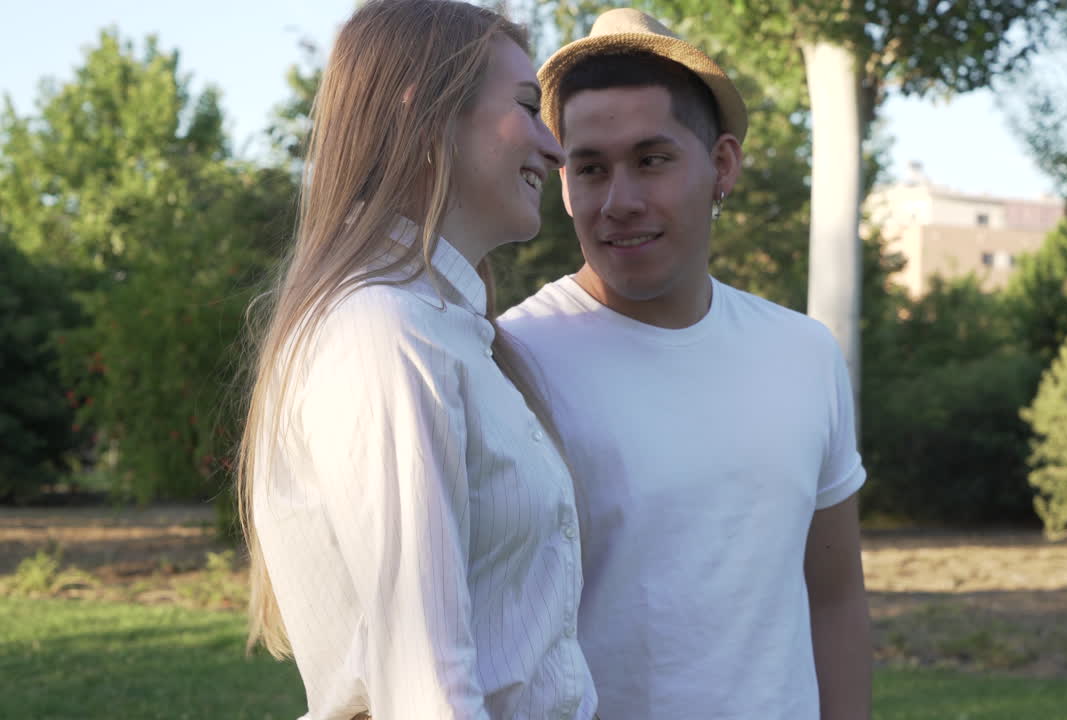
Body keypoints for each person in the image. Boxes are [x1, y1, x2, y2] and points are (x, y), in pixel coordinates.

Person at [499, 9, 872, 720]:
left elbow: (836, 597)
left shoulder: (803, 354)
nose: (620, 202)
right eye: (590, 168)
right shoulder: (513, 363)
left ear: (721, 166)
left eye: (652, 159)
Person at [235, 2, 597, 718]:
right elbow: (425, 684)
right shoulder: (384, 331)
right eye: (527, 108)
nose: (555, 149)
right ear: (424, 114)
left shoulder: (449, 331)